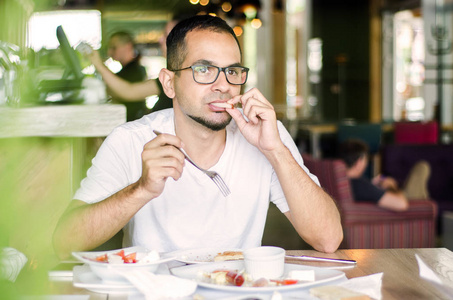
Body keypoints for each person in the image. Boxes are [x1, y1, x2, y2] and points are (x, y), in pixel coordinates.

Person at [53, 15, 343, 259]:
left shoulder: (267, 136)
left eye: (232, 71)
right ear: (169, 82)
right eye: (204, 69)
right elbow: (65, 242)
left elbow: (328, 239)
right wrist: (141, 189)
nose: (223, 85)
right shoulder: (129, 140)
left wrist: (275, 151)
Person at [84, 20, 179, 115]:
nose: (160, 40)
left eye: (114, 47)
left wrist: (99, 64)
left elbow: (128, 92)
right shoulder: (169, 77)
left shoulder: (136, 71)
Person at [338, 139, 431, 212]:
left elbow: (368, 193)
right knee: (422, 167)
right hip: (403, 200)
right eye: (366, 160)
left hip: (383, 200)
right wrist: (391, 186)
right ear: (359, 162)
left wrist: (372, 185)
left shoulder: (341, 182)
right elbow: (402, 204)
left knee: (422, 189)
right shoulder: (359, 184)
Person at [104, 31, 149, 121]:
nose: (109, 52)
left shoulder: (135, 71)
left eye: (114, 47)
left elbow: (123, 91)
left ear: (128, 46)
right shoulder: (135, 69)